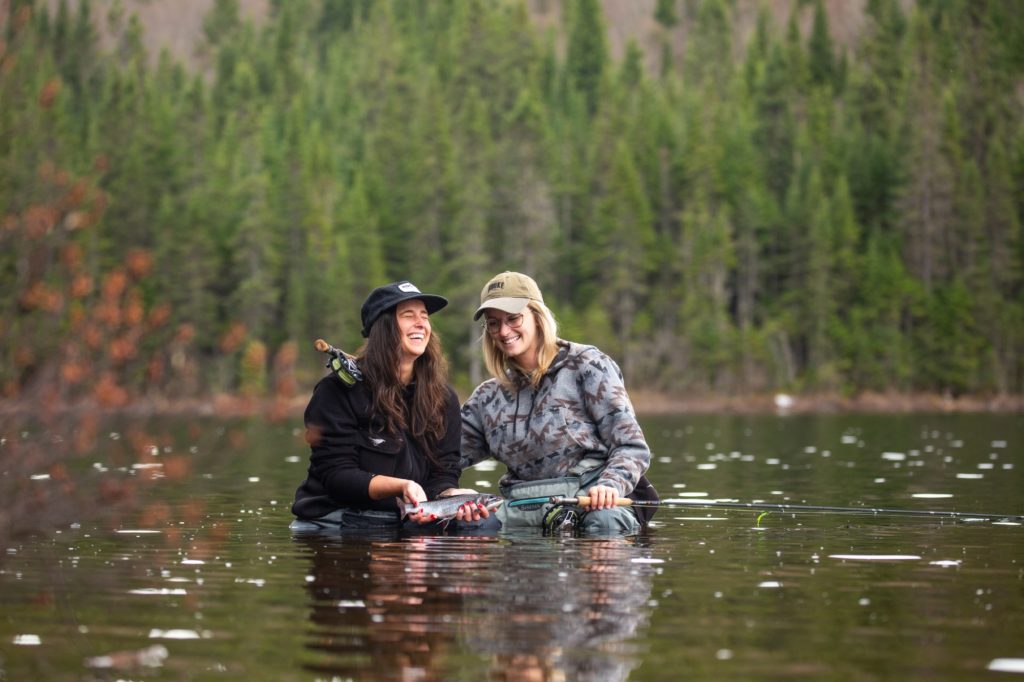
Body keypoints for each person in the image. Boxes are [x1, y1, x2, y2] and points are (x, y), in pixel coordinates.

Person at [458, 271, 658, 534]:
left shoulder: (589, 366)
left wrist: (611, 485)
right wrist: (451, 492)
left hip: (592, 505)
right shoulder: (488, 397)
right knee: (467, 526)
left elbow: (632, 448)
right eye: (493, 323)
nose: (504, 331)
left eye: (513, 318)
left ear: (537, 316)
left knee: (604, 523)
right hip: (522, 508)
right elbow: (442, 457)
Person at [290, 280, 487, 532]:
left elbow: (443, 473)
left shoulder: (444, 397)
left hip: (404, 517)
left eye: (424, 317)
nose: (421, 324)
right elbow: (336, 475)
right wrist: (400, 486)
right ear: (382, 328)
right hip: (337, 519)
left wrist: (454, 497)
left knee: (483, 524)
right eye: (408, 316)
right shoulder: (337, 391)